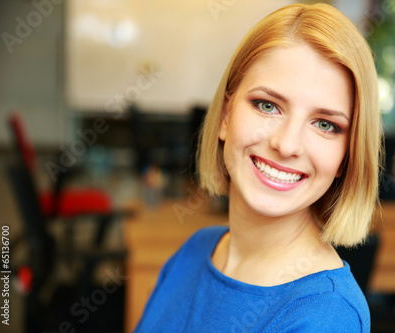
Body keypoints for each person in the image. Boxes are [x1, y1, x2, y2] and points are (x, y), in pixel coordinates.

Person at [135, 3, 381, 332]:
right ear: (225, 116)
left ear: (346, 157)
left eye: (325, 124)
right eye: (267, 105)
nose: (287, 144)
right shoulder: (195, 250)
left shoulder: (327, 316)